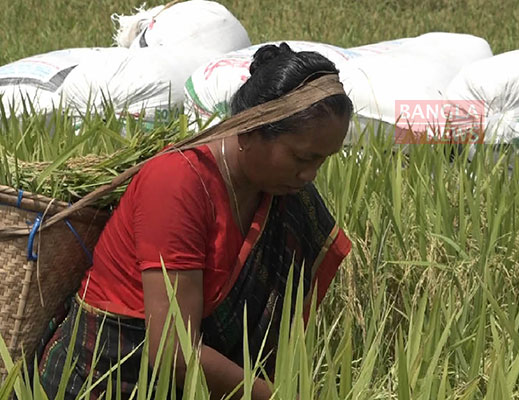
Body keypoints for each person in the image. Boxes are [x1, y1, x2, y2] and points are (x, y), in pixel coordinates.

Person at [37, 42, 353, 399]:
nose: (309, 175)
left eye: (322, 161)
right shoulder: (177, 182)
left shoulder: (279, 195)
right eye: (301, 157)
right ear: (250, 129)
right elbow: (174, 351)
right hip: (107, 381)